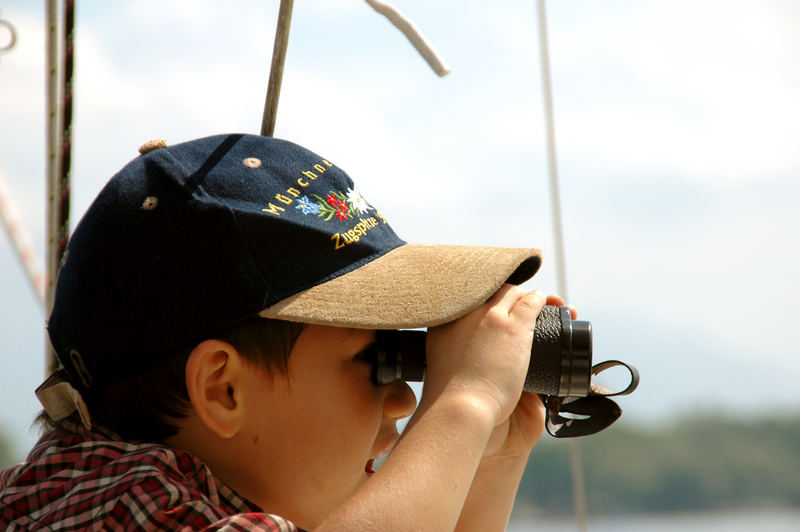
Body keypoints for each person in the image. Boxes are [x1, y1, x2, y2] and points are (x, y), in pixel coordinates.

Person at [0, 133, 574, 531]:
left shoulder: (95, 483)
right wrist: (465, 402)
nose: (403, 399)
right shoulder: (122, 506)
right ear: (224, 388)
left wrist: (491, 464)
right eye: (376, 360)